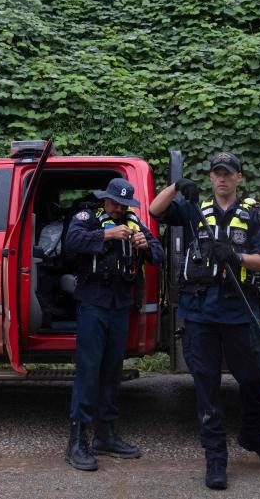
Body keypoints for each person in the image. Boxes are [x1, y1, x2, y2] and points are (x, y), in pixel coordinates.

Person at [149, 152, 260, 490]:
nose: (222, 179)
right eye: (216, 173)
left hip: (238, 310)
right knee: (206, 387)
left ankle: (254, 437)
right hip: (200, 312)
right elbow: (154, 210)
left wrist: (235, 256)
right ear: (210, 178)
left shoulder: (253, 216)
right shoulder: (194, 212)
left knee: (251, 381)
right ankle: (215, 456)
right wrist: (177, 186)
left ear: (238, 178)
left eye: (228, 174)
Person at [64, 177, 164, 471]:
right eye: (114, 202)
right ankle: (77, 439)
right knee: (89, 370)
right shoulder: (87, 217)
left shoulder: (134, 222)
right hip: (93, 303)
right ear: (105, 199)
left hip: (120, 305)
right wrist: (107, 236)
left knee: (112, 371)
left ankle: (105, 434)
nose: (118, 208)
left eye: (123, 204)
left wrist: (146, 244)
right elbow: (71, 241)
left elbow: (158, 255)